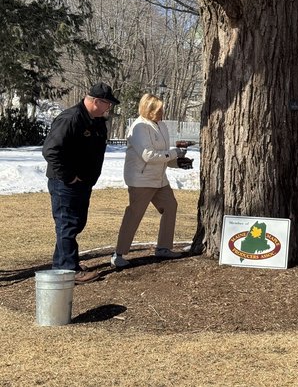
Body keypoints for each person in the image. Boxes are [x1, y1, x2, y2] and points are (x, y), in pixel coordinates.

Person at [42, 82, 120, 284]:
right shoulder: (70, 119)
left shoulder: (96, 121)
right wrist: (69, 176)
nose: (108, 108)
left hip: (83, 183)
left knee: (76, 223)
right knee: (66, 224)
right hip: (65, 183)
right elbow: (51, 151)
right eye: (107, 104)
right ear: (96, 101)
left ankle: (64, 263)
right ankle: (68, 270)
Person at [111, 93, 194, 268]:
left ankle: (163, 247)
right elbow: (148, 155)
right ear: (149, 110)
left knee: (170, 206)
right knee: (134, 214)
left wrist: (178, 162)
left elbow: (162, 155)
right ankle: (118, 254)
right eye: (159, 109)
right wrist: (174, 153)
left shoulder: (161, 125)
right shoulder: (140, 127)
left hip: (159, 179)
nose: (162, 111)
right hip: (141, 180)